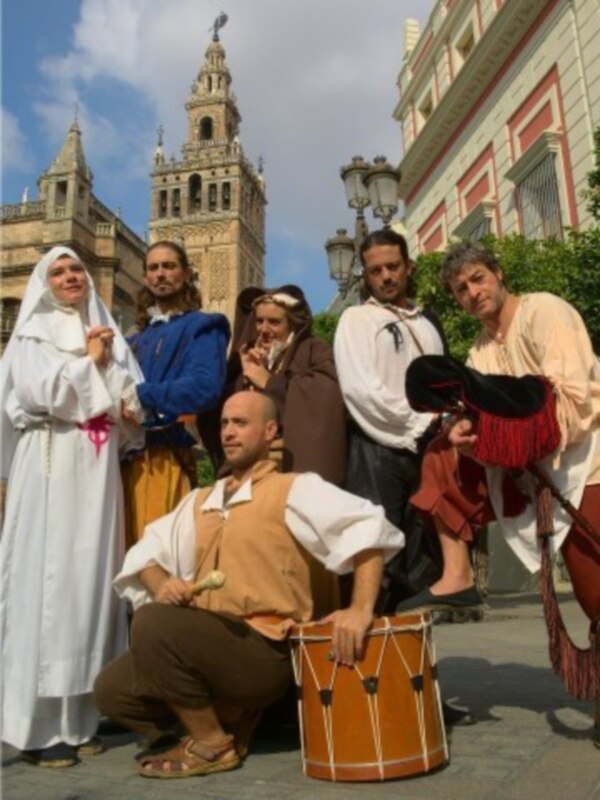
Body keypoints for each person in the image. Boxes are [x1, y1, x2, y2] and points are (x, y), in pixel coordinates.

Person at [94, 390, 403, 779]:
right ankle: (229, 717)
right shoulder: (201, 500)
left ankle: (212, 741)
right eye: (224, 423)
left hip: (268, 651)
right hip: (213, 645)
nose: (228, 433)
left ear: (270, 431)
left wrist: (361, 610)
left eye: (241, 423)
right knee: (112, 690)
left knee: (153, 625)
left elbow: (369, 530)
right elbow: (144, 557)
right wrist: (162, 584)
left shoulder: (296, 488)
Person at [398, 242, 599, 628]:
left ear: (498, 274)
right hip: (543, 476)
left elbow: (574, 402)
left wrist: (499, 431)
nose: (473, 293)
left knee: (597, 592)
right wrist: (466, 434)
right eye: (461, 289)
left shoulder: (543, 310)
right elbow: (485, 424)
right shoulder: (479, 353)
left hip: (590, 460)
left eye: (478, 278)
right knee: (441, 449)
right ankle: (457, 575)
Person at [0, 246, 144, 768]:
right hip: (51, 464)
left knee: (91, 584)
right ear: (45, 283)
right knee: (48, 585)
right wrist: (92, 365)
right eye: (58, 272)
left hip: (97, 475)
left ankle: (81, 717)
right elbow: (45, 396)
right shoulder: (34, 336)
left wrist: (127, 405)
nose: (70, 278)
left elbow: (126, 406)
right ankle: (37, 728)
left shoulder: (106, 331)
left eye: (76, 270)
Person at [334, 228, 446, 607]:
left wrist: (439, 425)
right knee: (377, 559)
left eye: (393, 266)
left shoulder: (427, 322)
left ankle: (416, 663)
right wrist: (418, 424)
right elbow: (361, 391)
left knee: (422, 563)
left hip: (428, 449)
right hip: (376, 452)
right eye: (375, 270)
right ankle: (368, 662)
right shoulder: (355, 320)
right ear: (366, 276)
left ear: (408, 266)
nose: (385, 276)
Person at [122, 240, 230, 548]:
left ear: (186, 273)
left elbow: (205, 388)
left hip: (164, 458)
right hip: (124, 459)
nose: (160, 274)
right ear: (145, 277)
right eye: (153, 268)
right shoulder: (135, 338)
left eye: (169, 266)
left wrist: (144, 395)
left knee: (157, 557)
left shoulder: (203, 325)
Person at [204, 284, 346, 485]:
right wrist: (243, 377)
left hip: (288, 468)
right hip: (247, 473)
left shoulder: (315, 350)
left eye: (274, 322)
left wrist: (270, 382)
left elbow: (325, 397)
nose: (264, 330)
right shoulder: (248, 355)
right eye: (259, 321)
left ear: (292, 324)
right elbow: (220, 412)